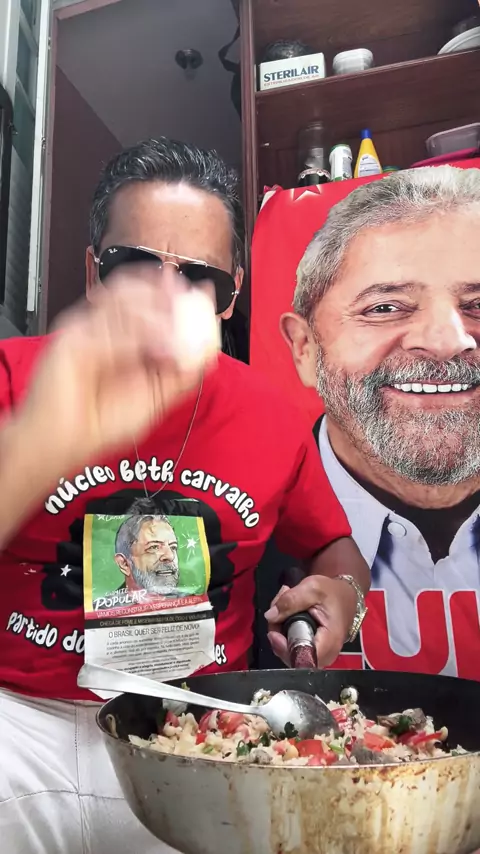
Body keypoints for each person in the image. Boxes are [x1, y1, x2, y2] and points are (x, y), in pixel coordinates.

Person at [0, 137, 370, 854]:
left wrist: (343, 595)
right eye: (137, 267)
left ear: (232, 294)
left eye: (199, 278)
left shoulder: (271, 417)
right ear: (93, 272)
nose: (167, 303)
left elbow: (334, 546)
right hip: (19, 719)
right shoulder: (13, 375)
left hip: (194, 721)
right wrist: (44, 437)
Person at [281, 164, 480, 679]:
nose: (447, 341)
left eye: (479, 304)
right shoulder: (241, 527)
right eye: (386, 307)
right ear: (305, 348)